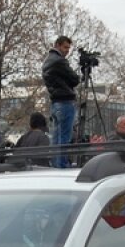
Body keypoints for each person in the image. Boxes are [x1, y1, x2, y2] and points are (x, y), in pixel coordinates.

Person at [41, 36, 80, 167]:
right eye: (65, 47)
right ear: (57, 45)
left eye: (68, 48)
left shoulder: (47, 61)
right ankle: (62, 165)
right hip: (65, 102)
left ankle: (56, 165)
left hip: (55, 103)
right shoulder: (59, 61)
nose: (67, 51)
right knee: (64, 138)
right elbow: (75, 79)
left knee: (56, 137)